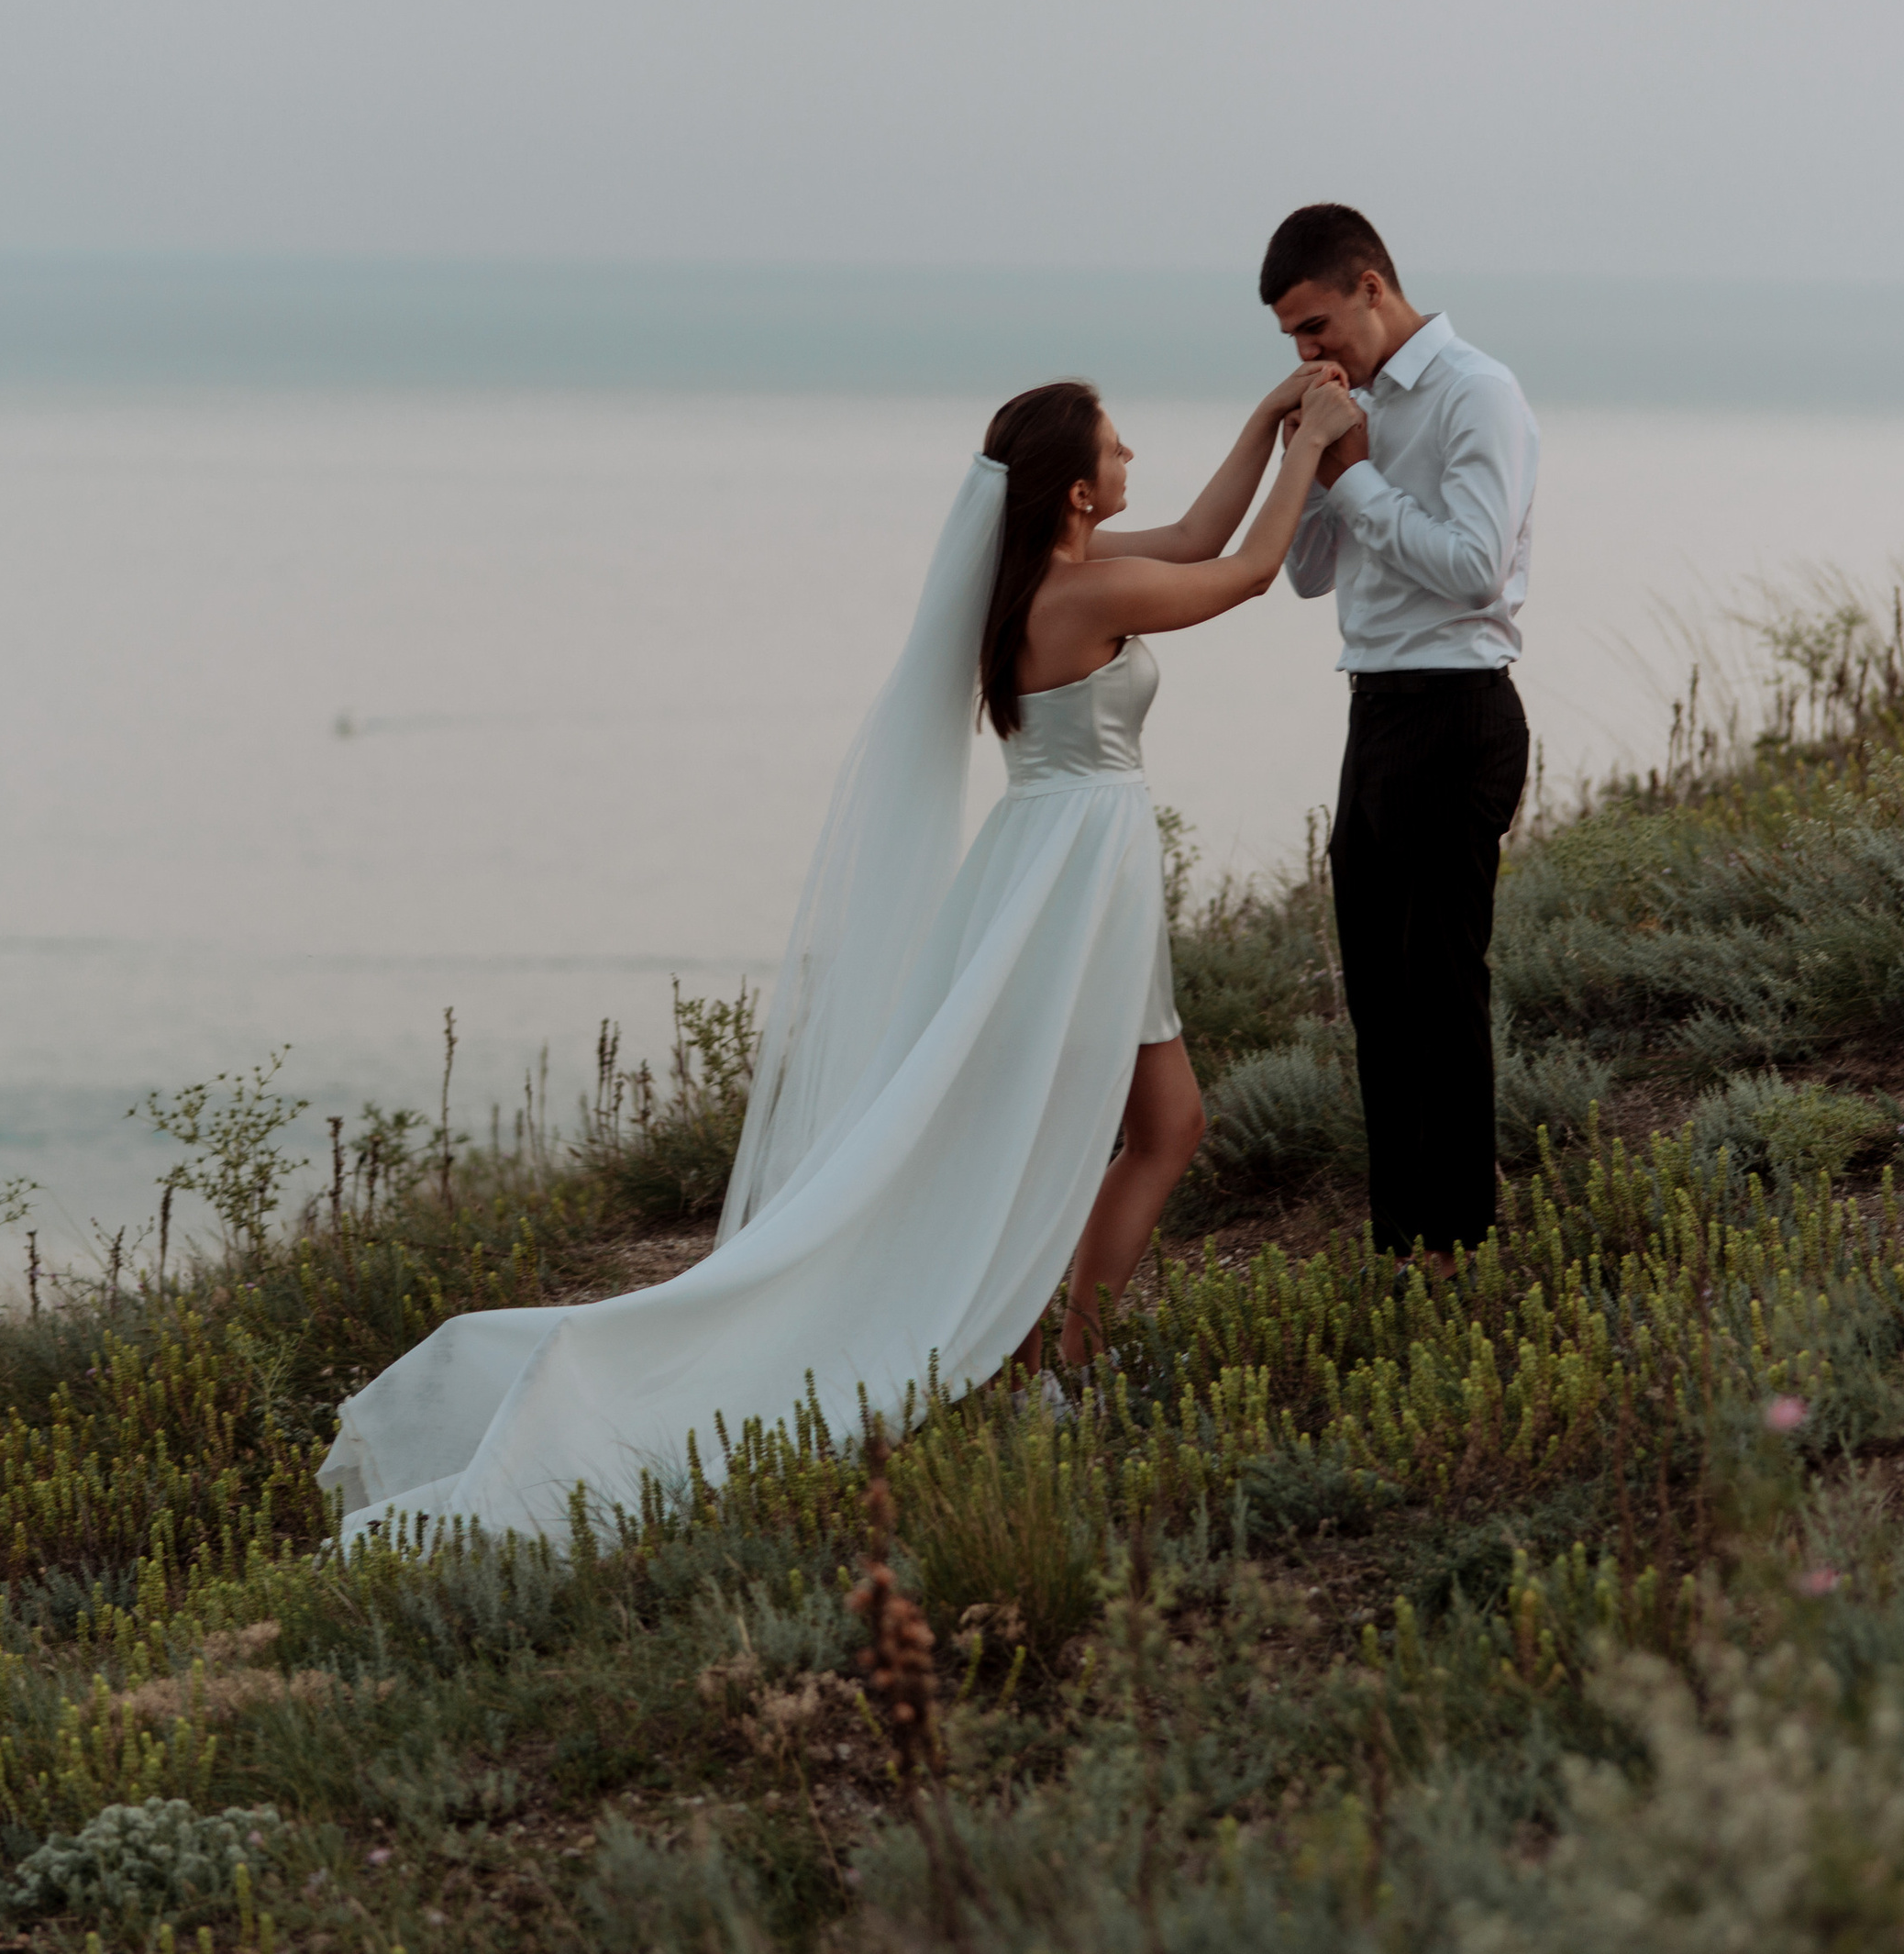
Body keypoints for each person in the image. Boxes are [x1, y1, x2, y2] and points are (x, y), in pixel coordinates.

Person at [318, 368, 1361, 1541]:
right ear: (1075, 492)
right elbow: (1245, 570)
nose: (1133, 466)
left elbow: (1201, 534)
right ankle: (1055, 1372)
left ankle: (1053, 1368)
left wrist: (1267, 423)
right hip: (1068, 884)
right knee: (1105, 1134)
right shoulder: (1073, 600)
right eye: (1118, 453)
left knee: (1159, 1127)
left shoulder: (1062, 577)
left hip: (1080, 868)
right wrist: (1314, 442)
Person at [1267, 203, 1540, 1271]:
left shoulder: (1478, 391)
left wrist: (1356, 478)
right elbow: (1304, 575)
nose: (1306, 351)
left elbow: (1475, 567)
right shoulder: (1356, 407)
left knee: (1439, 987)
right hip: (1373, 714)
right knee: (1378, 998)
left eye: (1316, 325)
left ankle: (1459, 1248)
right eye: (1292, 336)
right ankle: (1400, 1250)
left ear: (1371, 286)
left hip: (1457, 708)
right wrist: (1311, 461)